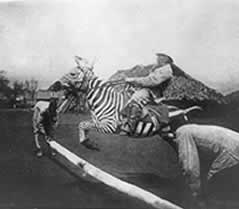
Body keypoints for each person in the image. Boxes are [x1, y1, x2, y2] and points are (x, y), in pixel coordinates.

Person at [173, 124, 239, 208]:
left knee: (214, 186)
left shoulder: (183, 133)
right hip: (234, 142)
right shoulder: (190, 128)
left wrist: (196, 194)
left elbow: (189, 168)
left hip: (232, 150)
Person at [121, 53, 174, 133]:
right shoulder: (159, 68)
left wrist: (133, 80)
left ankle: (130, 126)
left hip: (152, 92)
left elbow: (151, 81)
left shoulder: (166, 70)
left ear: (166, 58)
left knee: (136, 99)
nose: (157, 58)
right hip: (148, 89)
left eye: (160, 56)